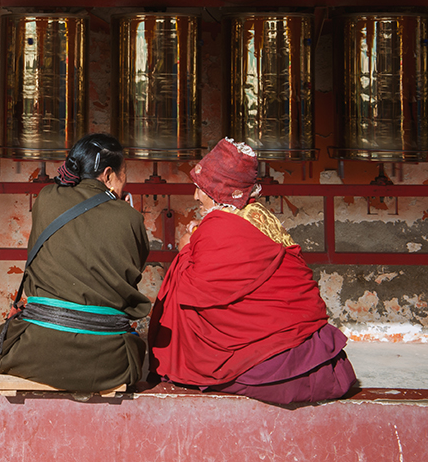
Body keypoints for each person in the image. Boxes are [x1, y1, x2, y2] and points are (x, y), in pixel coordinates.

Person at [148, 138, 356, 404]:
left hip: (258, 357)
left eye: (201, 188)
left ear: (218, 191)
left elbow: (193, 290)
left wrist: (186, 247)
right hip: (307, 346)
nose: (195, 196)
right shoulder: (260, 214)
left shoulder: (218, 227)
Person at [0, 133, 151, 393]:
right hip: (110, 361)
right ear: (108, 175)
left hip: (33, 352)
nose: (124, 181)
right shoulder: (131, 218)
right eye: (123, 174)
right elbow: (135, 268)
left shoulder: (46, 198)